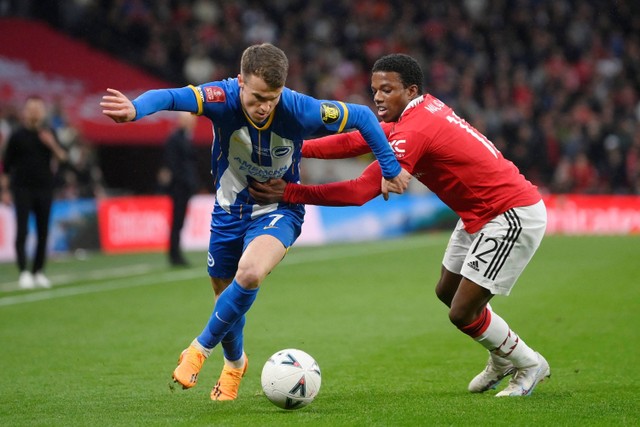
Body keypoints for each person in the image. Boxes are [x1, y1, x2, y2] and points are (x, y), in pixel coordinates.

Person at [100, 43, 411, 401]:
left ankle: (198, 350)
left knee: (248, 274)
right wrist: (136, 108)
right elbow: (171, 96)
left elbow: (361, 116)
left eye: (273, 98)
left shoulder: (299, 109)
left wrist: (390, 167)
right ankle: (235, 364)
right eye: (258, 97)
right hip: (228, 212)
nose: (265, 106)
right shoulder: (220, 97)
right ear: (240, 82)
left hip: (278, 208)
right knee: (224, 295)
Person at [249, 53, 550, 397]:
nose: (377, 97)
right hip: (478, 214)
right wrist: (298, 148)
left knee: (462, 311)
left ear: (410, 90)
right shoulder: (418, 112)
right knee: (446, 292)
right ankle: (501, 356)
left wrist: (289, 192)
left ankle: (528, 363)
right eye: (375, 89)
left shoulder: (416, 128)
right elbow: (356, 140)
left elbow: (360, 191)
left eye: (387, 89)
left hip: (508, 215)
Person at [0, 96, 67, 289]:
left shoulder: (49, 133)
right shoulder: (17, 135)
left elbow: (64, 158)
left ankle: (38, 272)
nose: (35, 112)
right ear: (25, 112)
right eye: (31, 109)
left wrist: (51, 144)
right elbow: (6, 166)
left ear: (43, 112)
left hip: (44, 188)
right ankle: (24, 272)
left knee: (43, 232)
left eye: (38, 108)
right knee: (22, 230)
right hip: (21, 189)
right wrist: (5, 190)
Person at [163, 112, 199, 266]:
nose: (193, 123)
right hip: (179, 188)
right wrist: (186, 182)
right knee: (177, 222)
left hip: (184, 187)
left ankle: (176, 254)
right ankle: (174, 256)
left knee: (180, 222)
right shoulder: (175, 139)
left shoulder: (185, 138)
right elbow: (174, 165)